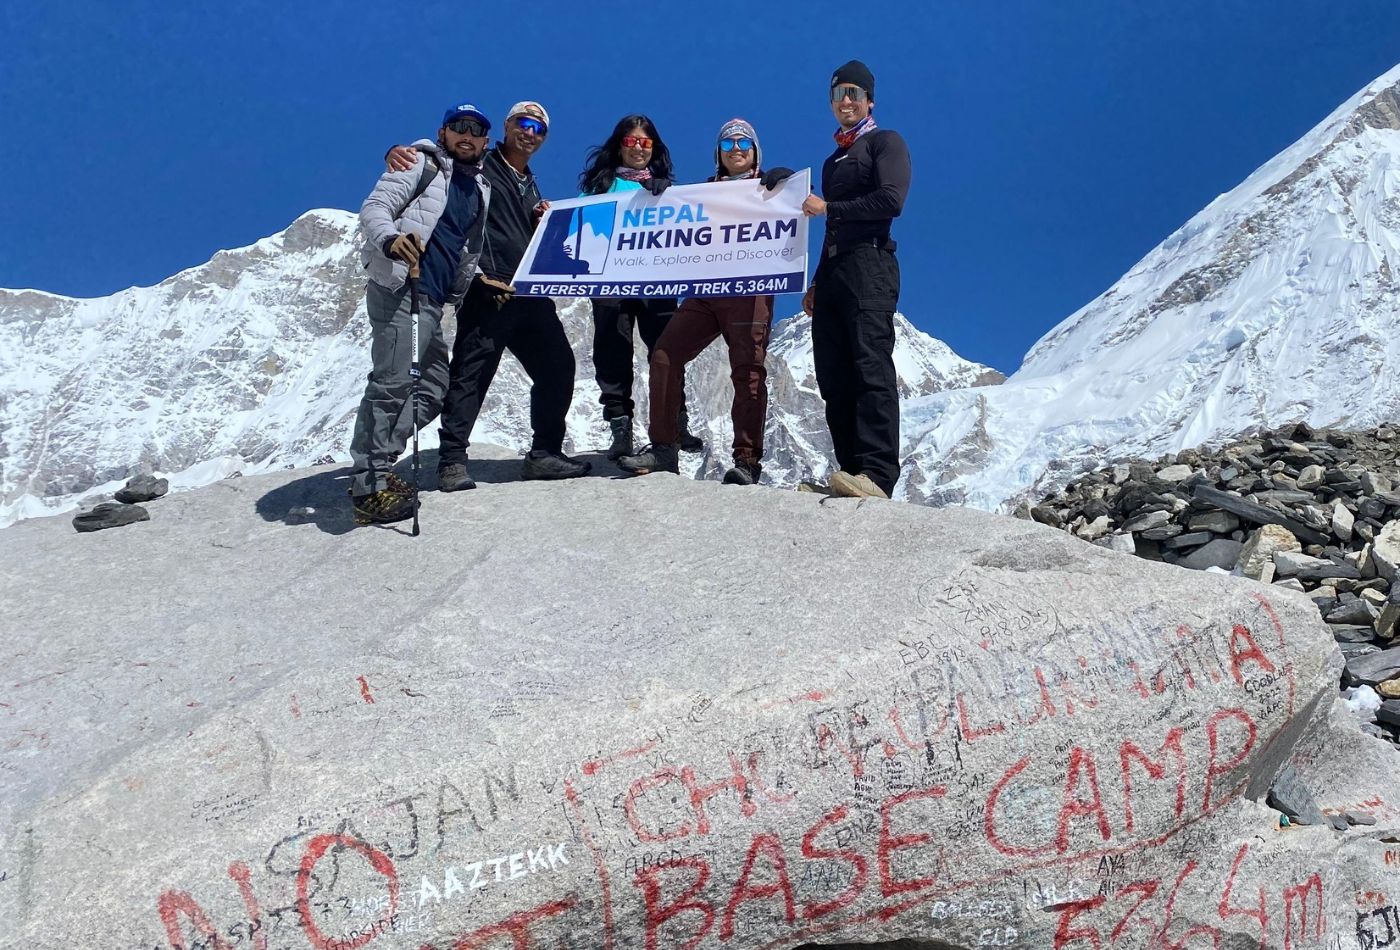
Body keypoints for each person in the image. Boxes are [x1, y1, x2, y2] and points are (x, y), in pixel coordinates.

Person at [386, 101, 590, 491]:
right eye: (523, 123)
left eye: (538, 128)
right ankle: (451, 462)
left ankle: (544, 454)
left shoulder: (530, 185)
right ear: (506, 127)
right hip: (487, 289)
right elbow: (441, 158)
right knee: (472, 374)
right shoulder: (481, 165)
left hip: (529, 291)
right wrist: (397, 151)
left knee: (559, 366)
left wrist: (542, 220)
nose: (529, 132)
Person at [618, 119, 794, 485]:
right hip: (706, 292)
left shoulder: (769, 188)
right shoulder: (703, 192)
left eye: (743, 143)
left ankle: (746, 461)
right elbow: (677, 226)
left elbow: (798, 211)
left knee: (747, 370)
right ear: (718, 153)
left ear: (755, 151)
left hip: (750, 290)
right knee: (665, 354)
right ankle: (664, 449)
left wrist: (789, 186)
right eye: (727, 144)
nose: (735, 149)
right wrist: (659, 197)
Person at [349, 102, 495, 524]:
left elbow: (461, 245)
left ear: (485, 141)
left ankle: (379, 465)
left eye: (476, 130)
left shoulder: (479, 187)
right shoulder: (419, 164)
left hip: (431, 299)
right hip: (401, 287)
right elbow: (374, 208)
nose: (467, 135)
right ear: (443, 132)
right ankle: (368, 484)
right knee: (392, 383)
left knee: (432, 387)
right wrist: (390, 240)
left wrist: (479, 280)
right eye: (458, 126)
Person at [800, 60, 911, 500]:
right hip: (834, 272)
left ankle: (878, 475)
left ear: (869, 100)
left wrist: (829, 208)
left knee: (869, 365)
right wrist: (816, 280)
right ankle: (850, 472)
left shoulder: (885, 142)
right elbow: (831, 228)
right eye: (838, 94)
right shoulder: (832, 161)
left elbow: (891, 201)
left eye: (854, 93)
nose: (845, 101)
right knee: (834, 374)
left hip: (870, 262)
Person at [577, 115, 702, 460]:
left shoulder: (665, 192)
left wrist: (666, 196)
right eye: (631, 141)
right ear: (619, 146)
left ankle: (675, 422)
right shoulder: (599, 188)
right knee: (612, 351)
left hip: (656, 281)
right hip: (610, 282)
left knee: (667, 349)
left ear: (654, 149)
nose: (638, 148)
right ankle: (620, 429)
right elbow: (580, 226)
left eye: (645, 143)